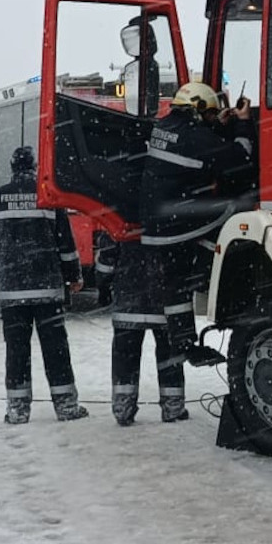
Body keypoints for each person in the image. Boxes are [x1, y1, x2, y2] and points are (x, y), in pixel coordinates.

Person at [110, 82, 249, 423]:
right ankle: (212, 261)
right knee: (235, 210)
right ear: (200, 109)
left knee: (173, 291)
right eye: (211, 112)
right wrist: (241, 124)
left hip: (159, 229)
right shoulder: (195, 137)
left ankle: (125, 407)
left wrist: (218, 121)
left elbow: (196, 146)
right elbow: (239, 158)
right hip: (177, 223)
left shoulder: (165, 127)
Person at [0, 147, 88, 424]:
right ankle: (66, 406)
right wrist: (73, 276)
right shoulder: (48, 196)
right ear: (35, 166)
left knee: (16, 351)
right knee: (56, 350)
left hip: (11, 291)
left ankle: (17, 409)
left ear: (13, 167)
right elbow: (66, 244)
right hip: (47, 290)